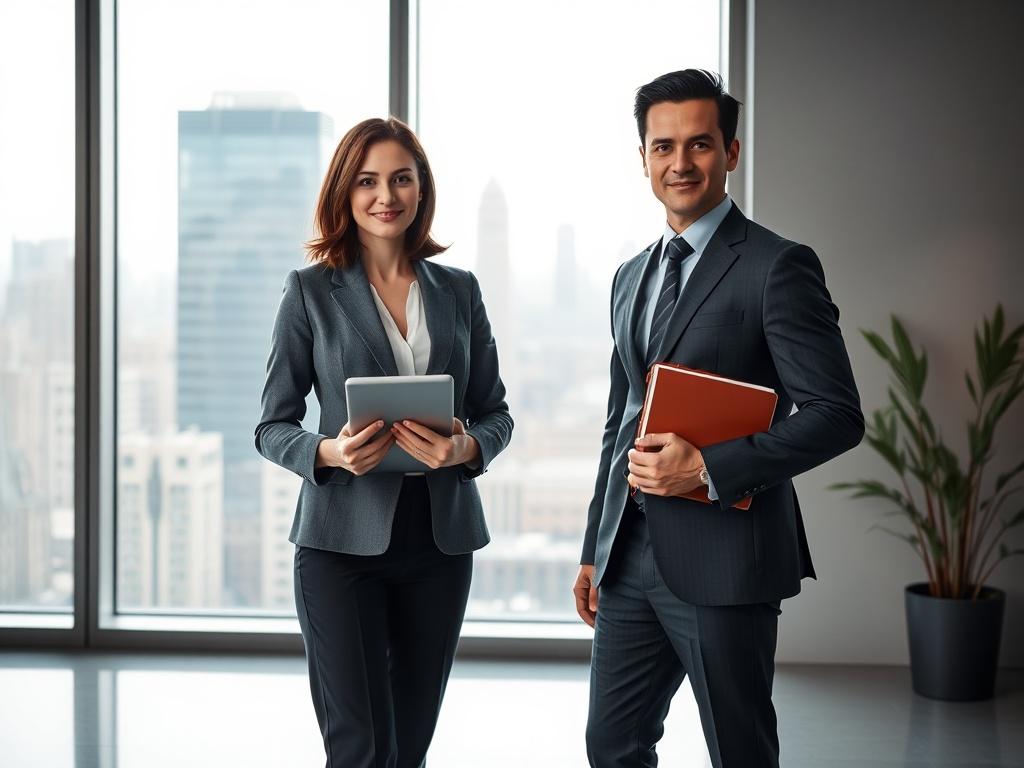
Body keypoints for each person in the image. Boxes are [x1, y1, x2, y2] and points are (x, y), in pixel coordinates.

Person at [575, 70, 864, 767]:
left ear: (730, 152)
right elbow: (622, 419)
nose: (680, 163)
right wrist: (595, 544)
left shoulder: (778, 266)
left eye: (699, 144)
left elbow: (836, 414)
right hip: (629, 555)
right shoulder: (630, 275)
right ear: (642, 157)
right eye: (663, 146)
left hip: (727, 557)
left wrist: (709, 469)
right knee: (611, 746)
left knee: (738, 749)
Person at [255, 117, 512, 768]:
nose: (385, 195)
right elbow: (271, 426)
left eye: (401, 178)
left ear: (421, 189)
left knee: (408, 748)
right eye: (367, 181)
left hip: (439, 544)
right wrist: (330, 452)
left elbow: (495, 413)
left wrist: (465, 450)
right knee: (361, 747)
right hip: (340, 546)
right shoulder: (311, 292)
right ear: (345, 192)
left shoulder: (460, 291)